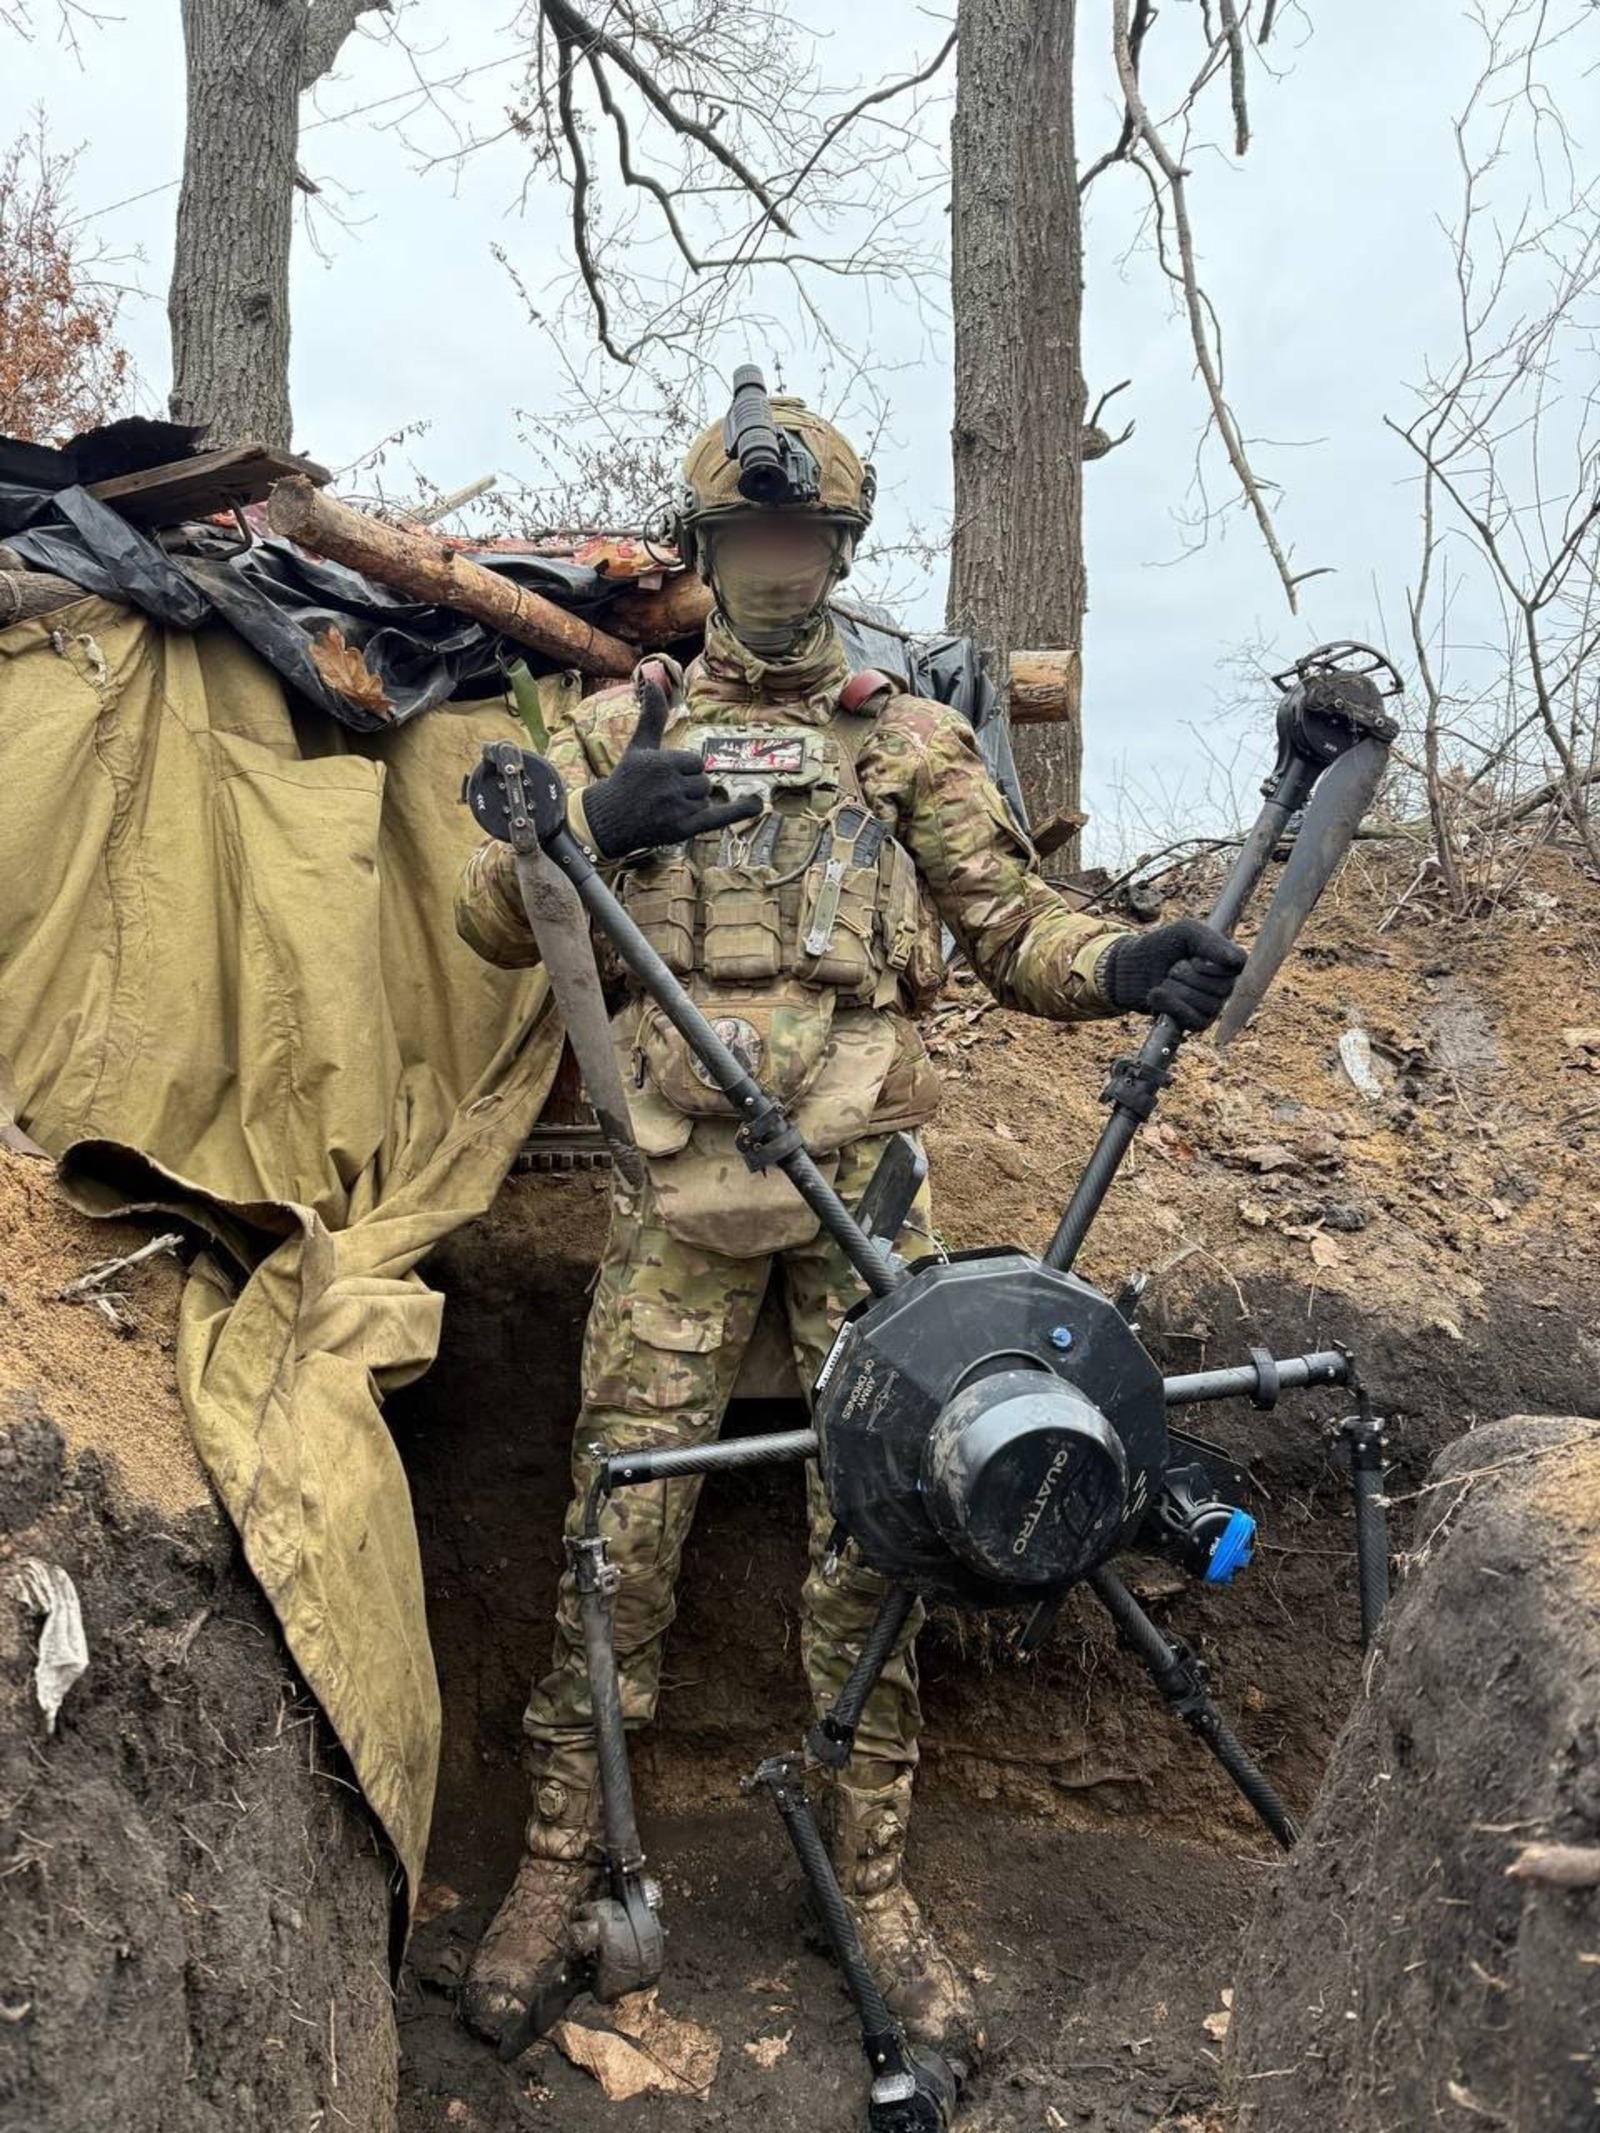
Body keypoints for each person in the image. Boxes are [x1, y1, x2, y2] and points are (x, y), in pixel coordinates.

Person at [454, 384, 1244, 2069]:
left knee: (887, 1530)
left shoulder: (910, 741)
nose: (776, 563)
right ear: (704, 547)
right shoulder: (621, 724)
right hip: (676, 1183)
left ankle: (867, 1876)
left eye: (802, 535)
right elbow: (486, 916)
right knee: (616, 1525)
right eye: (748, 535)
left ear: (840, 549)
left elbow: (1015, 928)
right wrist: (587, 830)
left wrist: (1129, 961)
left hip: (868, 1204)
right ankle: (557, 1859)